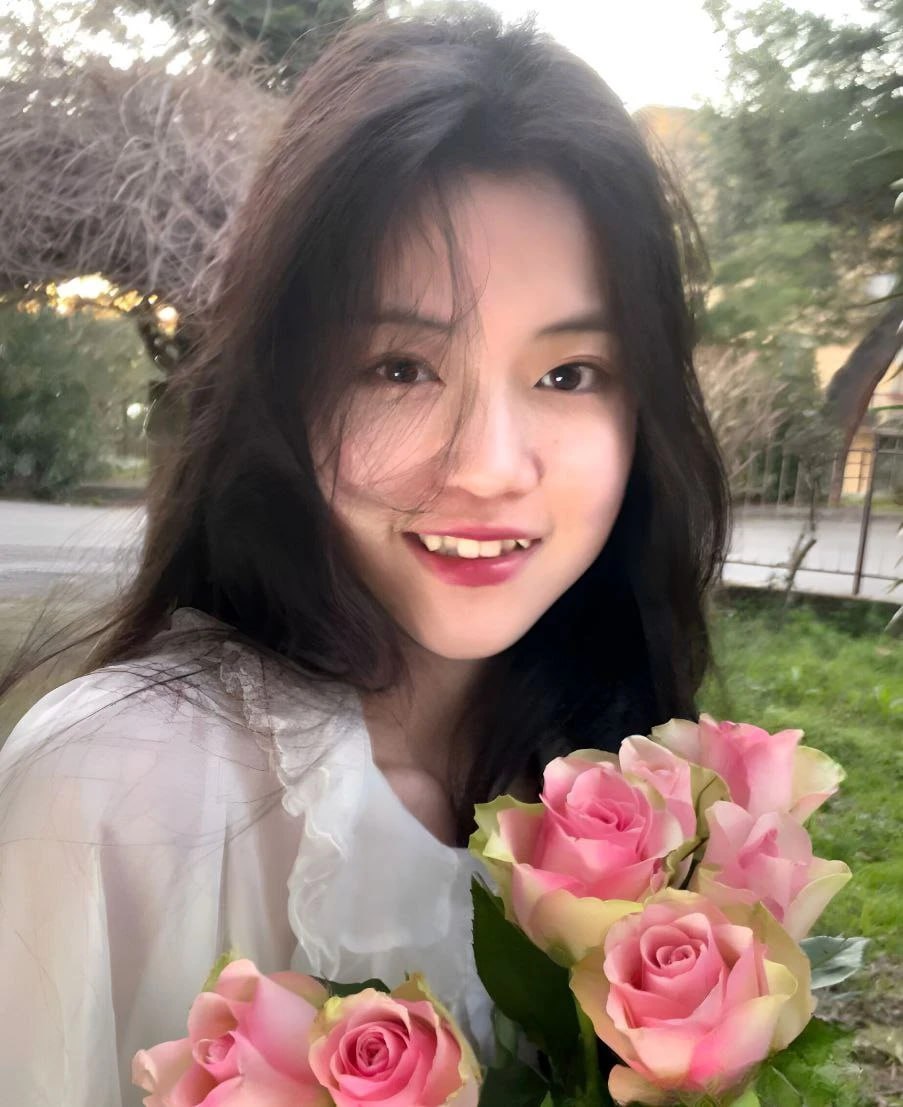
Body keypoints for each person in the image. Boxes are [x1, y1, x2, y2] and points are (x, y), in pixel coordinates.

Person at [0, 11, 730, 1105]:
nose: (487, 466)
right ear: (286, 392)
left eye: (569, 374)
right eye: (399, 367)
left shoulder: (643, 788)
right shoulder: (117, 785)